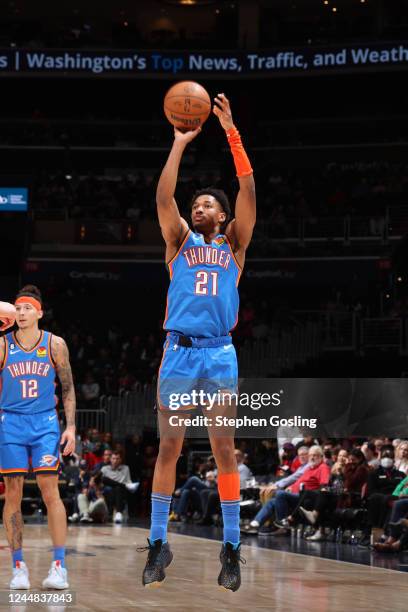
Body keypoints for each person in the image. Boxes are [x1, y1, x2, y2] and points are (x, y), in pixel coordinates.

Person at [141, 93, 256, 591]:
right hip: (179, 352)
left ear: (223, 214)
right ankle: (156, 542)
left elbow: (248, 185)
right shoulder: (179, 242)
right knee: (168, 448)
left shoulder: (235, 245)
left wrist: (232, 133)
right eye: (196, 205)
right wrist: (179, 143)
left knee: (223, 448)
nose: (197, 207)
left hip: (219, 352)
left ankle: (231, 546)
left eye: (206, 203)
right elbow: (163, 199)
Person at [0, 285, 76, 589]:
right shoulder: (3, 345)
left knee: (50, 491)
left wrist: (70, 427)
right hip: (10, 422)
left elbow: (68, 388)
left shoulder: (55, 345)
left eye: (27, 308)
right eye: (17, 308)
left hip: (45, 422)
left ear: (39, 313)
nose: (21, 312)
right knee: (13, 492)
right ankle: (18, 567)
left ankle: (59, 566)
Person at [99, 451, 139, 523]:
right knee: (105, 479)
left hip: (120, 491)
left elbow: (128, 480)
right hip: (107, 491)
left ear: (120, 460)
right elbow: (100, 482)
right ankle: (117, 513)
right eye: (113, 458)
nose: (115, 460)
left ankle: (118, 513)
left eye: (117, 459)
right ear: (110, 459)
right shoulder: (105, 468)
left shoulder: (125, 468)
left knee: (118, 488)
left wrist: (128, 485)